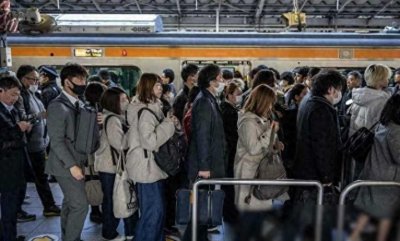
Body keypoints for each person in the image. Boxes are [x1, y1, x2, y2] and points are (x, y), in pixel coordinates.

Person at [126, 73, 178, 241]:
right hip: (147, 167)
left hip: (151, 166)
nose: (160, 88)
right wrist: (169, 124)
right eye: (156, 85)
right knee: (153, 212)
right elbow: (150, 142)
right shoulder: (146, 112)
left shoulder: (153, 107)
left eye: (160, 85)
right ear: (147, 88)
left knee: (156, 211)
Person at [46, 63, 90, 241]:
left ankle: (68, 236)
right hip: (66, 165)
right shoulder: (57, 106)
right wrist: (72, 166)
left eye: (84, 79)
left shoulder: (78, 103)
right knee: (80, 205)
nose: (83, 82)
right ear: (67, 82)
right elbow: (56, 140)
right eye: (79, 79)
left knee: (69, 204)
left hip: (77, 160)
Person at [183, 64, 227, 241]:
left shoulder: (208, 99)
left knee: (201, 212)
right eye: (220, 78)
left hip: (207, 163)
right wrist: (204, 166)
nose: (222, 81)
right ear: (211, 81)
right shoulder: (203, 102)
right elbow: (202, 136)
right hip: (203, 166)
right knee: (200, 210)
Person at [350, 94, 400, 241]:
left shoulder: (384, 124)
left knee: (369, 212)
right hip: (388, 180)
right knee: (385, 216)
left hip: (375, 173)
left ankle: (354, 236)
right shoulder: (396, 130)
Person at [16, 65, 61, 221]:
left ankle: (48, 205)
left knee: (41, 176)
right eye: (32, 79)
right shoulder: (21, 96)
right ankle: (48, 205)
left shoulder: (33, 94)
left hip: (39, 142)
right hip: (31, 145)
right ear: (22, 78)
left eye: (37, 79)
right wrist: (39, 115)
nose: (36, 82)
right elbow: (22, 118)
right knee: (39, 177)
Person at [234, 84, 285, 211]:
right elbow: (254, 149)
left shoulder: (261, 119)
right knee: (250, 210)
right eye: (269, 103)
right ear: (262, 102)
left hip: (260, 171)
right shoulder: (247, 122)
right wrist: (270, 132)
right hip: (249, 172)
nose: (271, 107)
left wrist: (274, 143)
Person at [96, 87, 137, 241]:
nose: (126, 102)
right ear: (114, 103)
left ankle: (122, 230)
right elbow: (119, 144)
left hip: (109, 166)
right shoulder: (113, 119)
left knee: (116, 198)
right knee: (114, 199)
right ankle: (110, 232)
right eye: (123, 100)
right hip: (111, 167)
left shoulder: (113, 117)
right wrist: (132, 130)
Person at [0, 76, 32, 241]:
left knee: (12, 206)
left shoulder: (9, 110)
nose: (15, 99)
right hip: (6, 169)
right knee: (8, 206)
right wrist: (17, 129)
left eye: (17, 95)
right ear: (1, 91)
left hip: (15, 166)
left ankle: (9, 235)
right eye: (12, 94)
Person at [348, 64, 391, 181]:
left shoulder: (357, 96)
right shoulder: (383, 100)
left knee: (355, 178)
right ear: (379, 79)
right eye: (386, 77)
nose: (388, 80)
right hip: (372, 147)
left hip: (357, 143)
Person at [83, 82, 107, 224]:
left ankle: (95, 209)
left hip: (88, 155)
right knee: (99, 181)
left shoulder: (83, 109)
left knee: (91, 180)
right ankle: (100, 209)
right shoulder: (101, 112)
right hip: (98, 152)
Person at [220, 82, 242, 224]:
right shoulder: (229, 111)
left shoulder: (227, 108)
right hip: (231, 152)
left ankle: (229, 212)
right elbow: (234, 134)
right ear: (229, 95)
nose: (239, 97)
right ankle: (230, 213)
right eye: (237, 94)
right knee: (230, 184)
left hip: (228, 152)